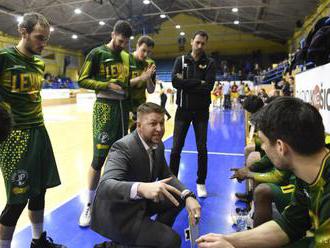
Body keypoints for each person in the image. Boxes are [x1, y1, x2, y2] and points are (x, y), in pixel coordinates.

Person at [197, 97, 330, 248]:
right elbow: (289, 225)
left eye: (264, 142)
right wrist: (230, 240)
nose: (264, 149)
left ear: (281, 147)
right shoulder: (307, 174)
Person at [91, 102, 201, 248]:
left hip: (138, 203)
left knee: (177, 196)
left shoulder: (157, 144)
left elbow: (167, 175)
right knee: (172, 241)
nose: (160, 129)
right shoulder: (123, 147)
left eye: (162, 123)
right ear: (139, 126)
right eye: (153, 124)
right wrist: (141, 188)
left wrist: (188, 195)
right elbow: (105, 186)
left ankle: (148, 238)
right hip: (119, 214)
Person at [0, 13, 65, 248]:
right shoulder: (4, 58)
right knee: (17, 200)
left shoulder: (39, 63)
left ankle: (38, 242)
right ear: (23, 31)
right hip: (14, 136)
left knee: (39, 192)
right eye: (39, 38)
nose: (43, 44)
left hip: (39, 131)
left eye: (46, 39)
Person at [78, 20, 133, 227]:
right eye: (120, 41)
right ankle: (89, 205)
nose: (122, 46)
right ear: (113, 34)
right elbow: (82, 80)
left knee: (120, 160)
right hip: (104, 109)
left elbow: (127, 84)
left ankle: (114, 203)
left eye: (126, 43)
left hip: (123, 110)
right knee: (99, 158)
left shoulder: (127, 57)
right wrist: (106, 84)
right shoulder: (97, 53)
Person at [169, 30, 216, 198]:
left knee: (202, 148)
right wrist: (198, 82)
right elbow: (175, 82)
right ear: (191, 41)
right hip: (183, 111)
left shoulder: (209, 63)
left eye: (203, 43)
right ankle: (172, 181)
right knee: (176, 148)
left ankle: (201, 182)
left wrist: (186, 83)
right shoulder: (180, 61)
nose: (200, 46)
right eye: (197, 42)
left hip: (202, 112)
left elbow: (208, 86)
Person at [129, 35, 156, 132]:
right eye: (143, 50)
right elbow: (121, 86)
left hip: (140, 108)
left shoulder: (150, 64)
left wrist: (148, 78)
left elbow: (151, 90)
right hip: (125, 106)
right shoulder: (126, 60)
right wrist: (141, 78)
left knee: (139, 139)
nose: (145, 54)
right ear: (137, 46)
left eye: (149, 52)